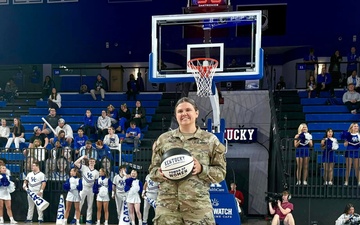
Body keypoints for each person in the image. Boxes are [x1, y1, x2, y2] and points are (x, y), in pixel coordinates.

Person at [148, 97, 227, 225]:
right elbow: (152, 171)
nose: (184, 113)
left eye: (188, 110)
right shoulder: (164, 140)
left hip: (198, 209)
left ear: (196, 113)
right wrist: (160, 173)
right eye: (180, 111)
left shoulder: (210, 140)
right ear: (175, 115)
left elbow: (221, 173)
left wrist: (202, 169)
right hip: (167, 208)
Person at [74, 155, 99, 225]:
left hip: (91, 189)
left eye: (93, 161)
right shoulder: (84, 168)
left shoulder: (96, 172)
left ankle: (89, 219)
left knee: (90, 204)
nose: (91, 162)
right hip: (84, 187)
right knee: (80, 203)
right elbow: (76, 163)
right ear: (88, 162)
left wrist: (96, 191)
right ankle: (76, 218)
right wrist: (82, 157)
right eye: (90, 161)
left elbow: (96, 183)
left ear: (95, 163)